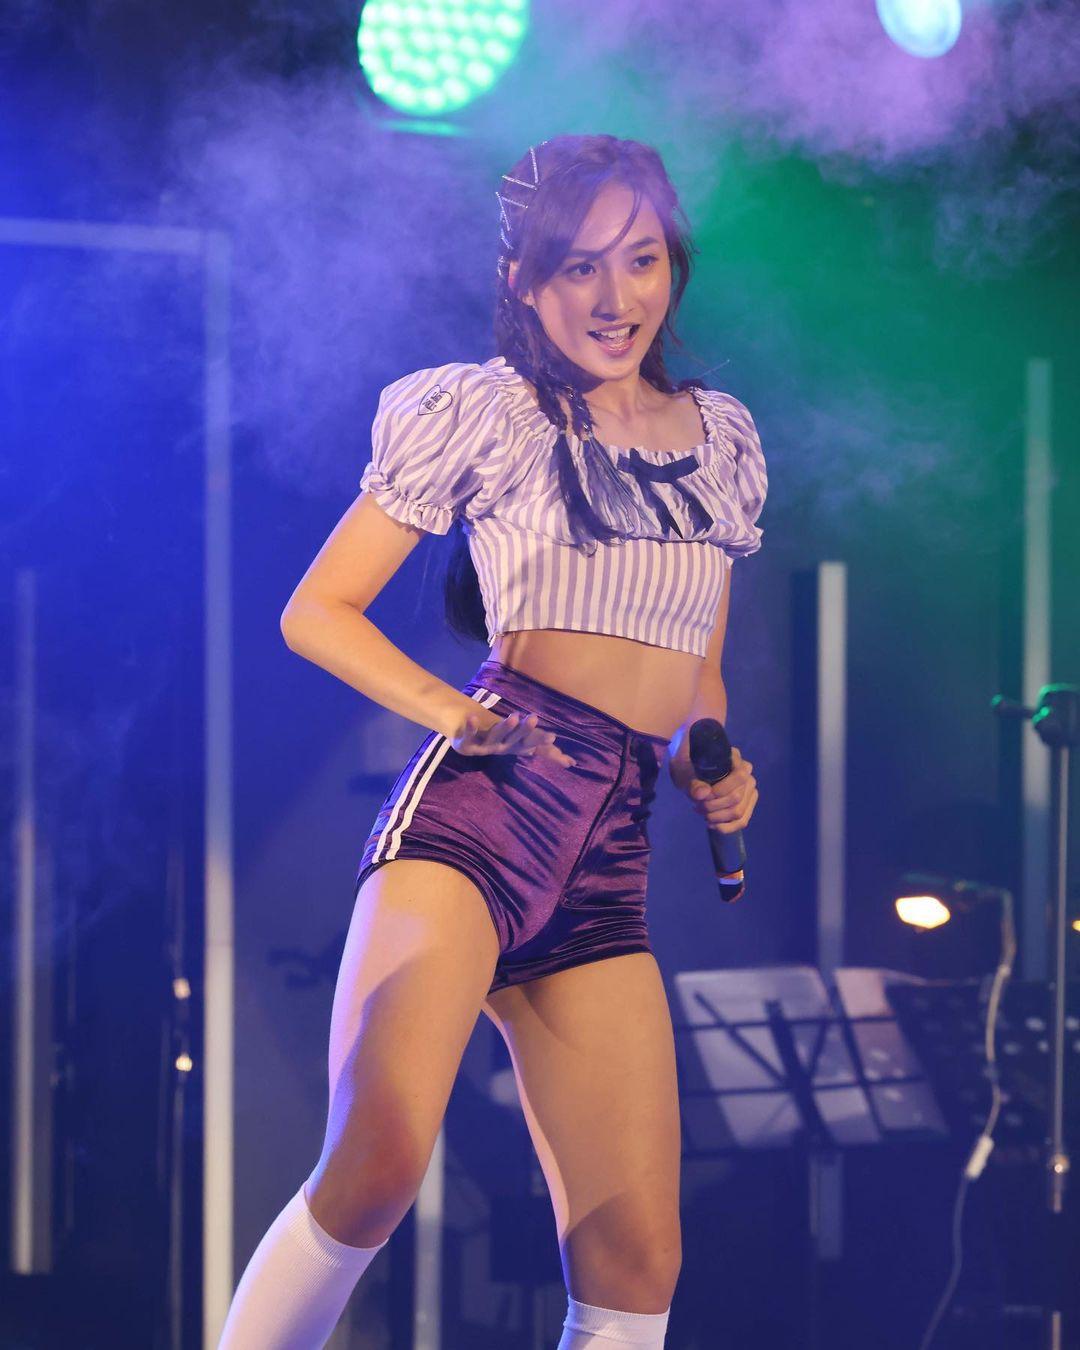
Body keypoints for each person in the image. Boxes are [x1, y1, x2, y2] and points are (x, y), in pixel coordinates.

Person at [218, 133, 766, 1349]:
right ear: (522, 279)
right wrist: (456, 714)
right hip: (480, 815)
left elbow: (697, 674)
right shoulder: (488, 411)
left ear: (674, 264)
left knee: (637, 1255)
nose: (614, 297)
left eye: (640, 260)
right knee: (377, 1161)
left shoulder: (720, 440)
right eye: (579, 267)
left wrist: (709, 765)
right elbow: (317, 610)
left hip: (611, 847)